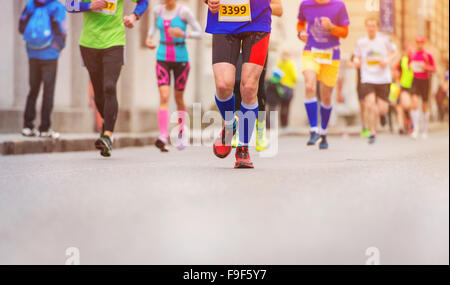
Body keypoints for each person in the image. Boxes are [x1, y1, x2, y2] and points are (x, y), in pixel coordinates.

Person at [66, 0, 148, 157]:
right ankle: (108, 123)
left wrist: (134, 16)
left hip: (114, 42)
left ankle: (108, 135)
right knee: (99, 93)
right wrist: (89, 6)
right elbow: (69, 5)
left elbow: (143, 2)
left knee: (109, 87)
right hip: (89, 44)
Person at [205, 0, 272, 169]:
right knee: (223, 85)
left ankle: (243, 148)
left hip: (258, 19)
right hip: (224, 17)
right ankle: (230, 123)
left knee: (249, 87)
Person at [145, 0, 202, 152]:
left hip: (181, 59)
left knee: (178, 98)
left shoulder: (184, 12)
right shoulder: (157, 10)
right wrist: (149, 38)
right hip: (162, 56)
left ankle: (181, 131)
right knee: (164, 96)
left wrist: (184, 34)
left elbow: (199, 32)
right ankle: (163, 136)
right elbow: (153, 27)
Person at [297, 0, 350, 150]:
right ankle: (314, 130)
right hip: (311, 51)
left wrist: (332, 27)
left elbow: (345, 33)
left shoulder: (339, 5)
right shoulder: (305, 4)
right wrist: (300, 32)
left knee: (326, 96)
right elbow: (300, 23)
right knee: (309, 85)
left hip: (331, 54)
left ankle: (324, 132)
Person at [231, 0, 283, 152]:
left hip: (257, 36)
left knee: (256, 86)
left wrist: (255, 8)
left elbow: (279, 9)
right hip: (234, 36)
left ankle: (260, 129)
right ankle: (237, 130)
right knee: (236, 83)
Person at [20, 0, 67, 139]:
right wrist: (58, 47)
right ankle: (44, 128)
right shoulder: (57, 7)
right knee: (48, 91)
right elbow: (62, 30)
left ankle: (28, 126)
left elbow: (21, 27)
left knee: (33, 89)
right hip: (50, 54)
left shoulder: (30, 4)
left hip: (32, 52)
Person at [354, 17, 397, 144]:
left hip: (383, 78)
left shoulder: (384, 39)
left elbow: (394, 51)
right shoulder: (361, 42)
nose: (371, 28)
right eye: (369, 25)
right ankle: (372, 132)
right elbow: (356, 55)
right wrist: (356, 60)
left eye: (373, 25)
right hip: (367, 77)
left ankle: (383, 115)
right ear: (366, 27)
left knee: (382, 108)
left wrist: (387, 61)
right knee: (369, 103)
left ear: (377, 27)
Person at [410, 36, 436, 139]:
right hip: (415, 80)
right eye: (417, 42)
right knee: (414, 102)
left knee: (425, 104)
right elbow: (409, 65)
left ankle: (424, 129)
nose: (419, 44)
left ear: (423, 43)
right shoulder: (413, 54)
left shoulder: (428, 55)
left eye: (421, 42)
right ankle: (416, 129)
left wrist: (425, 67)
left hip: (425, 80)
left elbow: (434, 68)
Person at [266, 51, 298, 132]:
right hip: (288, 87)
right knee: (286, 107)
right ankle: (285, 125)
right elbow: (294, 77)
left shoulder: (279, 63)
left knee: (279, 107)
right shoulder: (290, 64)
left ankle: (278, 124)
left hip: (280, 86)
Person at [394, 44, 415, 135]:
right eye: (408, 50)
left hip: (411, 87)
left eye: (411, 50)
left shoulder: (414, 61)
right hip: (400, 87)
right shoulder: (402, 61)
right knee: (399, 107)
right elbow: (395, 72)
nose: (410, 52)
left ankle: (408, 123)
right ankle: (401, 127)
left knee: (407, 106)